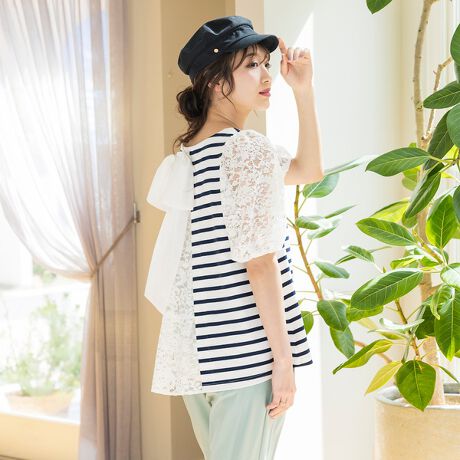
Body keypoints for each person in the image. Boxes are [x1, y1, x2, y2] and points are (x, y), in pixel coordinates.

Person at [144, 15, 323, 460]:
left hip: (199, 360)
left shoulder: (191, 154)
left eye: (266, 64)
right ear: (214, 81)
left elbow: (307, 170)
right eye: (250, 66)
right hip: (245, 359)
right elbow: (259, 263)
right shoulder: (246, 150)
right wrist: (283, 361)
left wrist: (302, 91)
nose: (266, 76)